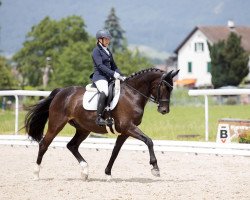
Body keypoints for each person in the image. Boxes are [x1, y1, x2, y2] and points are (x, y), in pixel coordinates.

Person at [91, 29, 126, 126]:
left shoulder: (108, 51)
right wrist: (113, 74)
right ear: (100, 40)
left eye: (108, 39)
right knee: (105, 92)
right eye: (106, 39)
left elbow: (114, 66)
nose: (108, 41)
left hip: (109, 77)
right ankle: (99, 118)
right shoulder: (96, 51)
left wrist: (120, 75)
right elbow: (100, 66)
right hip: (100, 77)